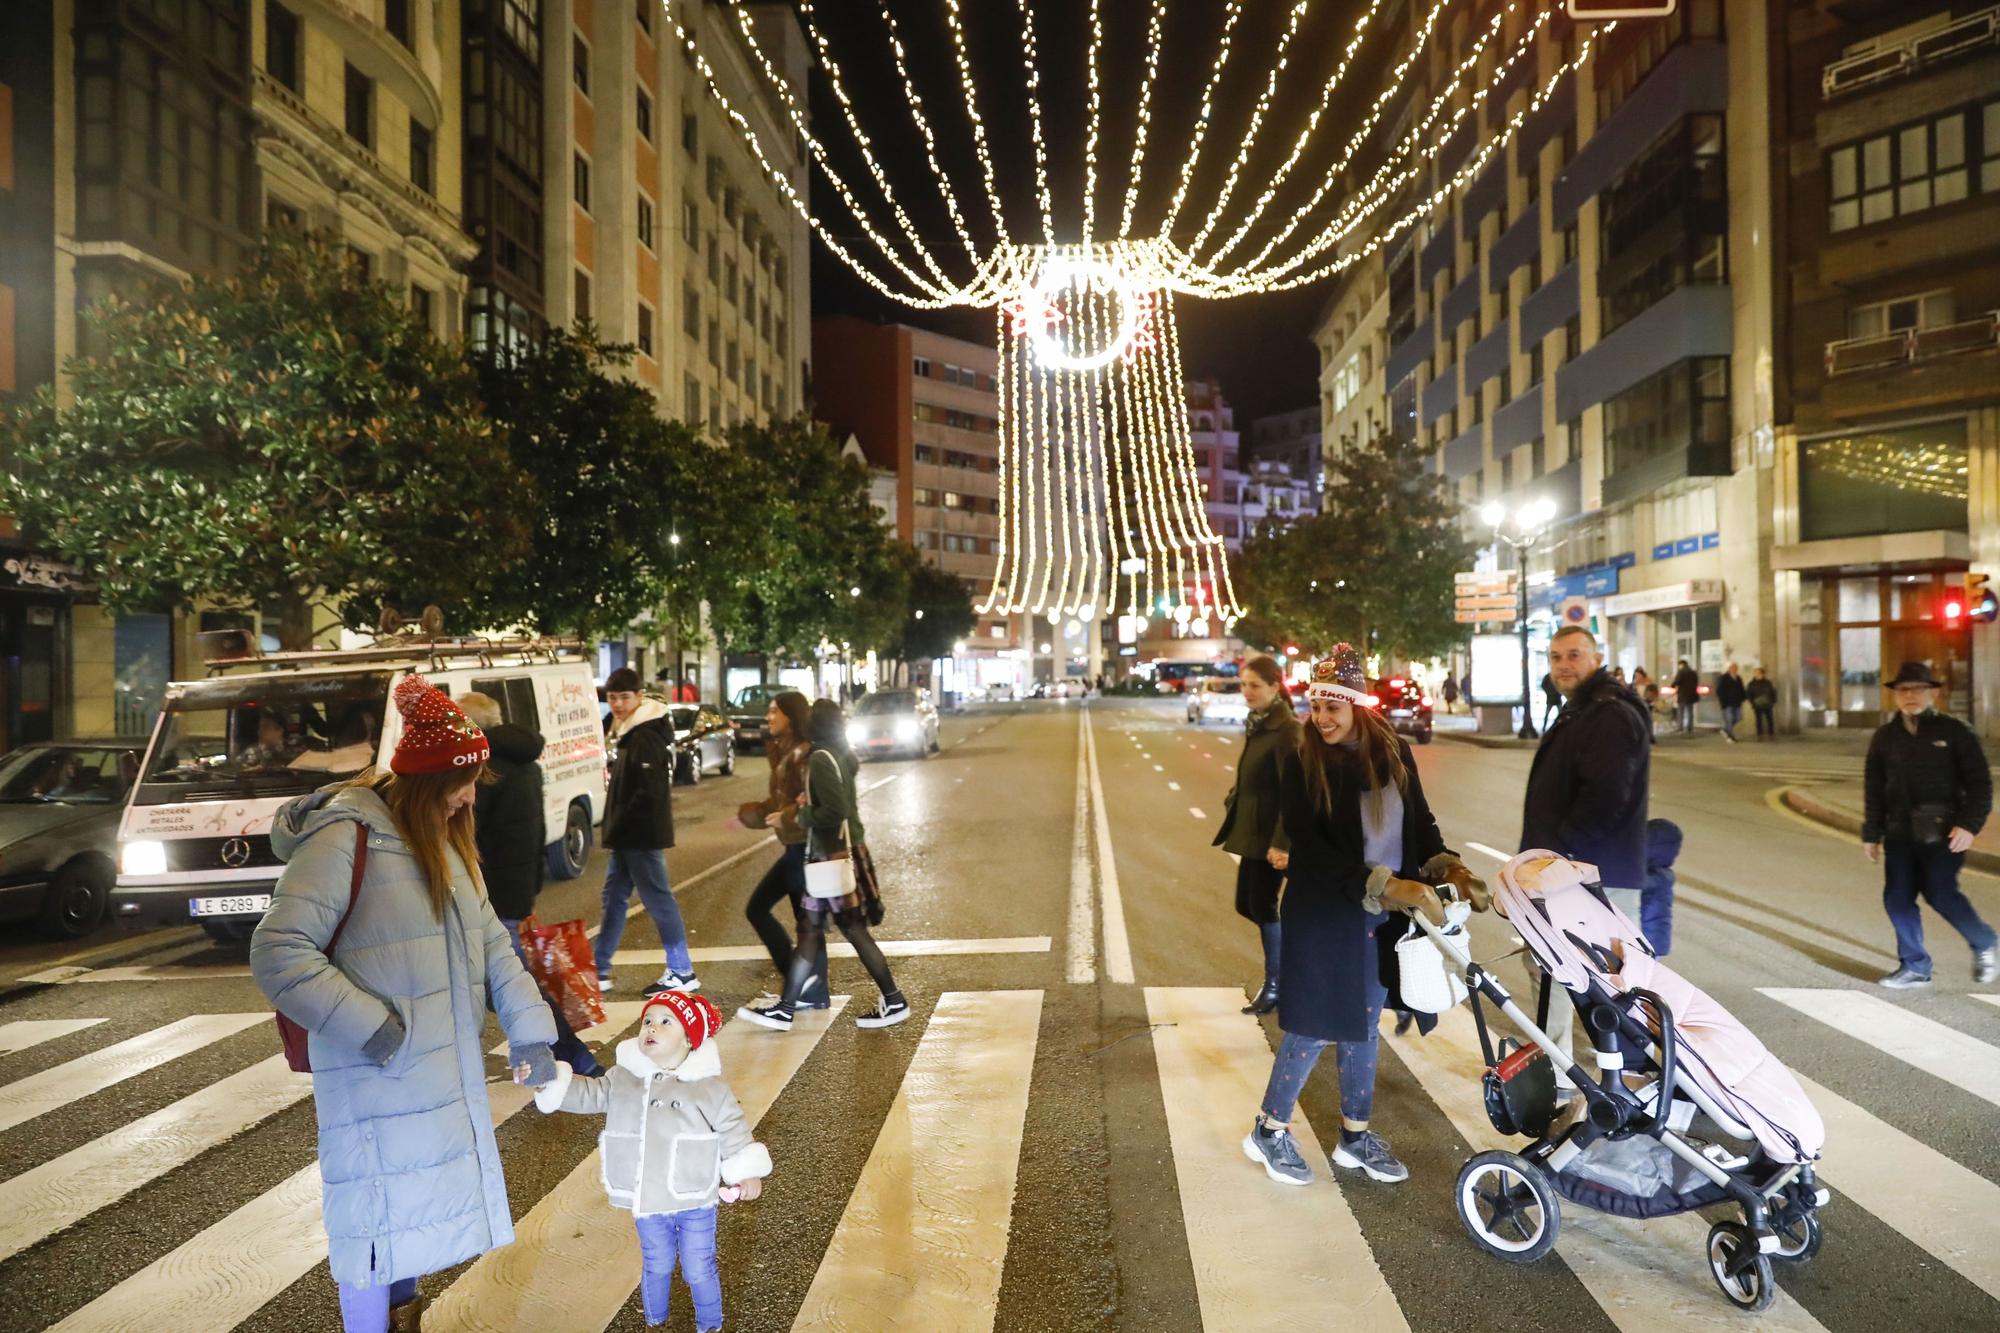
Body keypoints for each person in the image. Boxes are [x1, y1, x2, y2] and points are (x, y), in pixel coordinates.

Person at [251, 675, 557, 1333]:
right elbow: (279, 951)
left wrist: (532, 1030)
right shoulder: (343, 838)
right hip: (374, 1077)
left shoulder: (443, 840)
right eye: (463, 779)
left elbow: (491, 944)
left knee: (414, 1218)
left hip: (433, 1073)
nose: (472, 794)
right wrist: (376, 1029)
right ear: (425, 780)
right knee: (372, 1229)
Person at [1241, 646, 1489, 1189]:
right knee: (1313, 1026)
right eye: (1316, 706)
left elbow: (1419, 824)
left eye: (1334, 707)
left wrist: (1452, 869)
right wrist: (1386, 885)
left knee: (1364, 1025)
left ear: (1358, 706)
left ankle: (1355, 1136)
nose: (1323, 718)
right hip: (1326, 912)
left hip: (1383, 917)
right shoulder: (1303, 760)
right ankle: (1268, 1128)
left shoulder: (1394, 751)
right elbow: (1314, 851)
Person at [534, 991, 770, 1333]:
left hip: (695, 1198)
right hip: (649, 1200)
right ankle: (655, 1323)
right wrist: (551, 1083)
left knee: (698, 1267)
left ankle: (711, 1325)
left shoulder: (708, 1087)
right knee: (656, 1264)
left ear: (689, 1039)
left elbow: (733, 1130)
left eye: (665, 1021)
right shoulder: (625, 1077)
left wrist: (745, 1173)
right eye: (647, 1021)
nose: (652, 1028)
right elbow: (590, 1094)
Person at [1519, 626, 1651, 1092]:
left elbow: (1608, 796)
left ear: (1597, 658)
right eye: (1556, 657)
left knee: (1604, 980)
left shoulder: (1607, 715)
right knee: (1559, 971)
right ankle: (1568, 1072)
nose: (1563, 665)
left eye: (1574, 655)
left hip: (1586, 875)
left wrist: (1562, 856)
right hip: (1576, 873)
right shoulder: (1583, 710)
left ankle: (1625, 1081)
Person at [738, 699, 910, 1030]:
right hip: (834, 856)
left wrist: (802, 813)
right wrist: (808, 800)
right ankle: (788, 1007)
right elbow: (833, 799)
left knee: (845, 931)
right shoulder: (839, 754)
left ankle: (892, 998)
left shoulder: (819, 758)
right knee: (813, 931)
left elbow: (836, 810)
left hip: (830, 856)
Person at [459, 692, 602, 1077]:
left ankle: (572, 1055)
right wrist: (528, 895)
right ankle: (564, 1054)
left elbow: (472, 834)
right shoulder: (527, 764)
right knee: (512, 985)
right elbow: (536, 831)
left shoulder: (485, 770)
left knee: (514, 988)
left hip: (490, 893)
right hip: (515, 890)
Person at [1862, 661, 1996, 988]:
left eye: (1918, 689)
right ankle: (1915, 966)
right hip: (1899, 834)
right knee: (1897, 897)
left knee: (1940, 892)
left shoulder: (1954, 732)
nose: (1911, 695)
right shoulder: (1885, 737)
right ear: (1895, 695)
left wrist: (1969, 825)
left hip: (1945, 832)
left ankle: (1984, 941)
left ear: (1932, 693)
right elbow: (1874, 788)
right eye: (1904, 690)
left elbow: (1981, 783)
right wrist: (1871, 834)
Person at [596, 667, 699, 998]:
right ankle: (599, 968)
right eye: (613, 698)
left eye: (625, 697)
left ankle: (682, 971)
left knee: (658, 899)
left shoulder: (645, 736)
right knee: (614, 898)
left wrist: (620, 821)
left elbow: (649, 792)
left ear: (639, 697)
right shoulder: (630, 730)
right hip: (629, 836)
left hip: (639, 836)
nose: (618, 704)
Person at [1211, 655, 1299, 1015]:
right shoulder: (1260, 721)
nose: (1247, 691)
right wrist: (1235, 796)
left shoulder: (1287, 729)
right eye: (1244, 684)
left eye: (1255, 685)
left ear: (1275, 687)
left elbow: (1295, 791)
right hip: (1252, 830)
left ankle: (1278, 986)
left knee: (1262, 905)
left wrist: (1283, 842)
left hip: (1271, 837)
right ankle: (1287, 970)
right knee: (1245, 904)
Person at [735, 691, 829, 1010]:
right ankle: (807, 986)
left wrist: (784, 815)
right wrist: (756, 813)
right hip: (793, 845)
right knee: (803, 920)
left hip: (805, 847)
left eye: (774, 712)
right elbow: (781, 803)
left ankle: (804, 986)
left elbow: (809, 801)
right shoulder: (785, 753)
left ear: (790, 716)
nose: (768, 717)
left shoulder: (805, 756)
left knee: (801, 920)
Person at [1641, 818, 1685, 957]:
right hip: (1654, 940)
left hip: (1650, 942)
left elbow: (1639, 884)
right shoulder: (1662, 873)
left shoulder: (1659, 877)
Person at [1715, 662, 1747, 743]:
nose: (1735, 669)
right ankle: (1730, 737)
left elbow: (1741, 689)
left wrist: (1743, 697)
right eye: (1733, 667)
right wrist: (1722, 702)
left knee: (1738, 717)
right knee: (1729, 719)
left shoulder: (1738, 678)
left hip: (1737, 702)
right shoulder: (1723, 678)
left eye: (1736, 668)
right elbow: (1719, 690)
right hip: (1727, 703)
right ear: (1729, 668)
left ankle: (1725, 730)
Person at [1747, 667, 1778, 740]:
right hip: (1757, 704)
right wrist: (1752, 702)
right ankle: (1759, 735)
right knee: (1758, 720)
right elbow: (1749, 694)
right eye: (1756, 673)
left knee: (1770, 719)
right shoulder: (1752, 683)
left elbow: (1773, 692)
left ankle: (1771, 734)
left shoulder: (1768, 683)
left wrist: (1773, 701)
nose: (1757, 674)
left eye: (1759, 673)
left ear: (1763, 674)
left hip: (1767, 704)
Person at [1671, 659, 1700, 734]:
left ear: (1682, 664)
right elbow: (1696, 682)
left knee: (1681, 711)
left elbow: (1677, 681)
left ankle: (1680, 727)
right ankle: (1690, 727)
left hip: (1683, 694)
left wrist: (1672, 686)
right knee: (1690, 711)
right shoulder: (1693, 672)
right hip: (1692, 694)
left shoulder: (1681, 672)